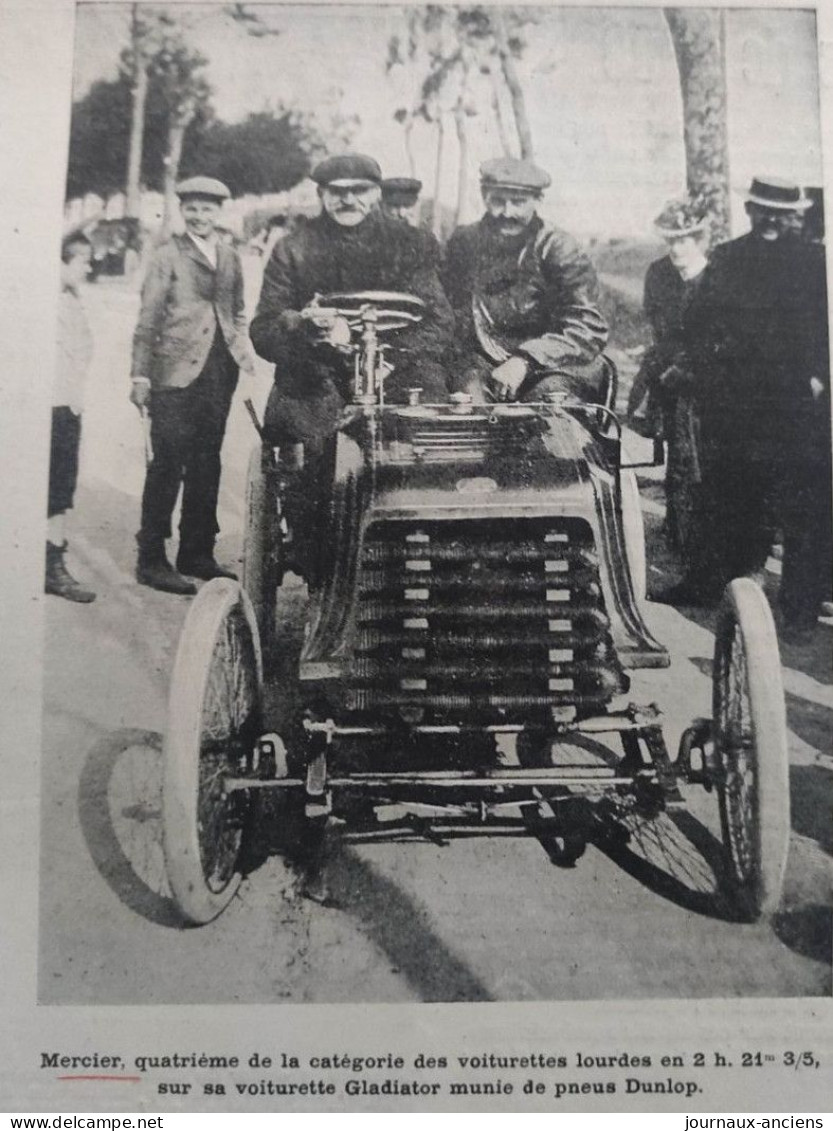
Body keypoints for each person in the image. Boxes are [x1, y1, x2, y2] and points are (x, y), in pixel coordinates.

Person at [672, 176, 828, 627]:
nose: (772, 220)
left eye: (782, 213)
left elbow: (826, 329)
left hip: (798, 400)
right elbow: (698, 326)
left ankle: (800, 610)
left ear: (797, 214)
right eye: (763, 210)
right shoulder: (726, 257)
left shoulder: (816, 262)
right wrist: (708, 377)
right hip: (736, 399)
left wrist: (819, 377)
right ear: (748, 209)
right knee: (732, 497)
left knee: (802, 506)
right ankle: (725, 592)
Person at [249, 152, 454, 446]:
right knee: (297, 431)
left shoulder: (412, 244)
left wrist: (390, 358)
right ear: (321, 193)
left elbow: (440, 321)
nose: (347, 199)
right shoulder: (292, 249)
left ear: (376, 193)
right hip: (316, 371)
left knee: (428, 425)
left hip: (399, 367)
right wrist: (300, 325)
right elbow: (263, 329)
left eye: (358, 190)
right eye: (337, 191)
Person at [130, 176, 253, 594]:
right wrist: (141, 375)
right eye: (193, 208)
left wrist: (239, 346)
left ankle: (197, 552)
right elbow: (147, 320)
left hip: (219, 371)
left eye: (209, 209)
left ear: (221, 212)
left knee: (207, 461)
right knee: (167, 463)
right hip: (175, 372)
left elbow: (236, 310)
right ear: (183, 211)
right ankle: (151, 559)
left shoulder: (230, 255)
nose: (201, 216)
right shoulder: (168, 255)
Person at [442, 157, 609, 404]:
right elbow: (447, 310)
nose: (507, 213)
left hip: (554, 365)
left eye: (518, 203)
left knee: (545, 415)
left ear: (538, 201)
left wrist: (525, 360)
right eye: (498, 201)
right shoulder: (465, 242)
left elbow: (588, 325)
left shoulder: (559, 248)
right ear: (484, 196)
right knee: (465, 407)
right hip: (484, 362)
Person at [626, 196, 709, 558]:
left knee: (707, 465)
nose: (676, 248)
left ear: (701, 239)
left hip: (711, 383)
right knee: (679, 464)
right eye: (671, 240)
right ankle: (681, 543)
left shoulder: (718, 276)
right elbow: (658, 328)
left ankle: (709, 545)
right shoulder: (658, 274)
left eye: (684, 239)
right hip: (672, 381)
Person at [45, 233, 97, 603]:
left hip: (67, 404)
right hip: (47, 405)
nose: (89, 267)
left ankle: (52, 563)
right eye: (82, 260)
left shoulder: (71, 299)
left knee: (60, 488)